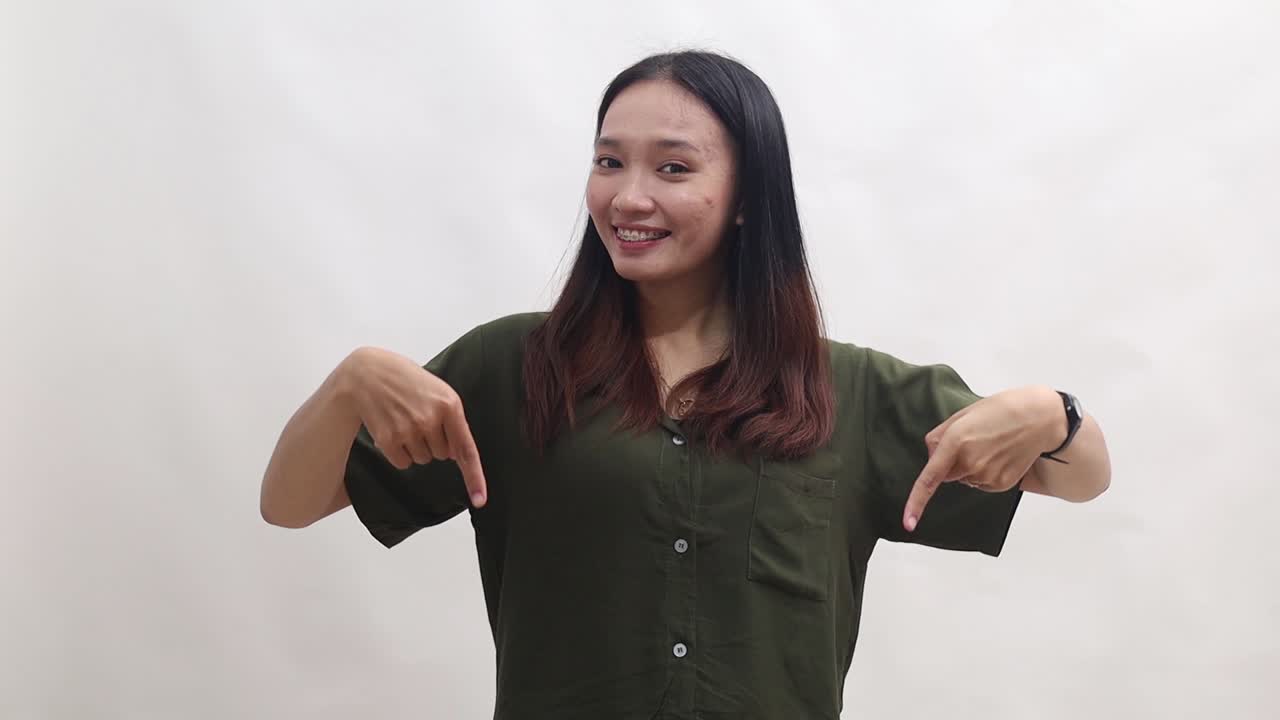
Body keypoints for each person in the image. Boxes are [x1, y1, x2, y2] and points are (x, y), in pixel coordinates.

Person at [260, 50, 1111, 720]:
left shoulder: (849, 391)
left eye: (673, 168)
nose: (627, 196)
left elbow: (1078, 479)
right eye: (608, 161)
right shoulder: (515, 368)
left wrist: (1054, 414)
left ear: (746, 196)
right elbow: (290, 503)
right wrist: (347, 386)